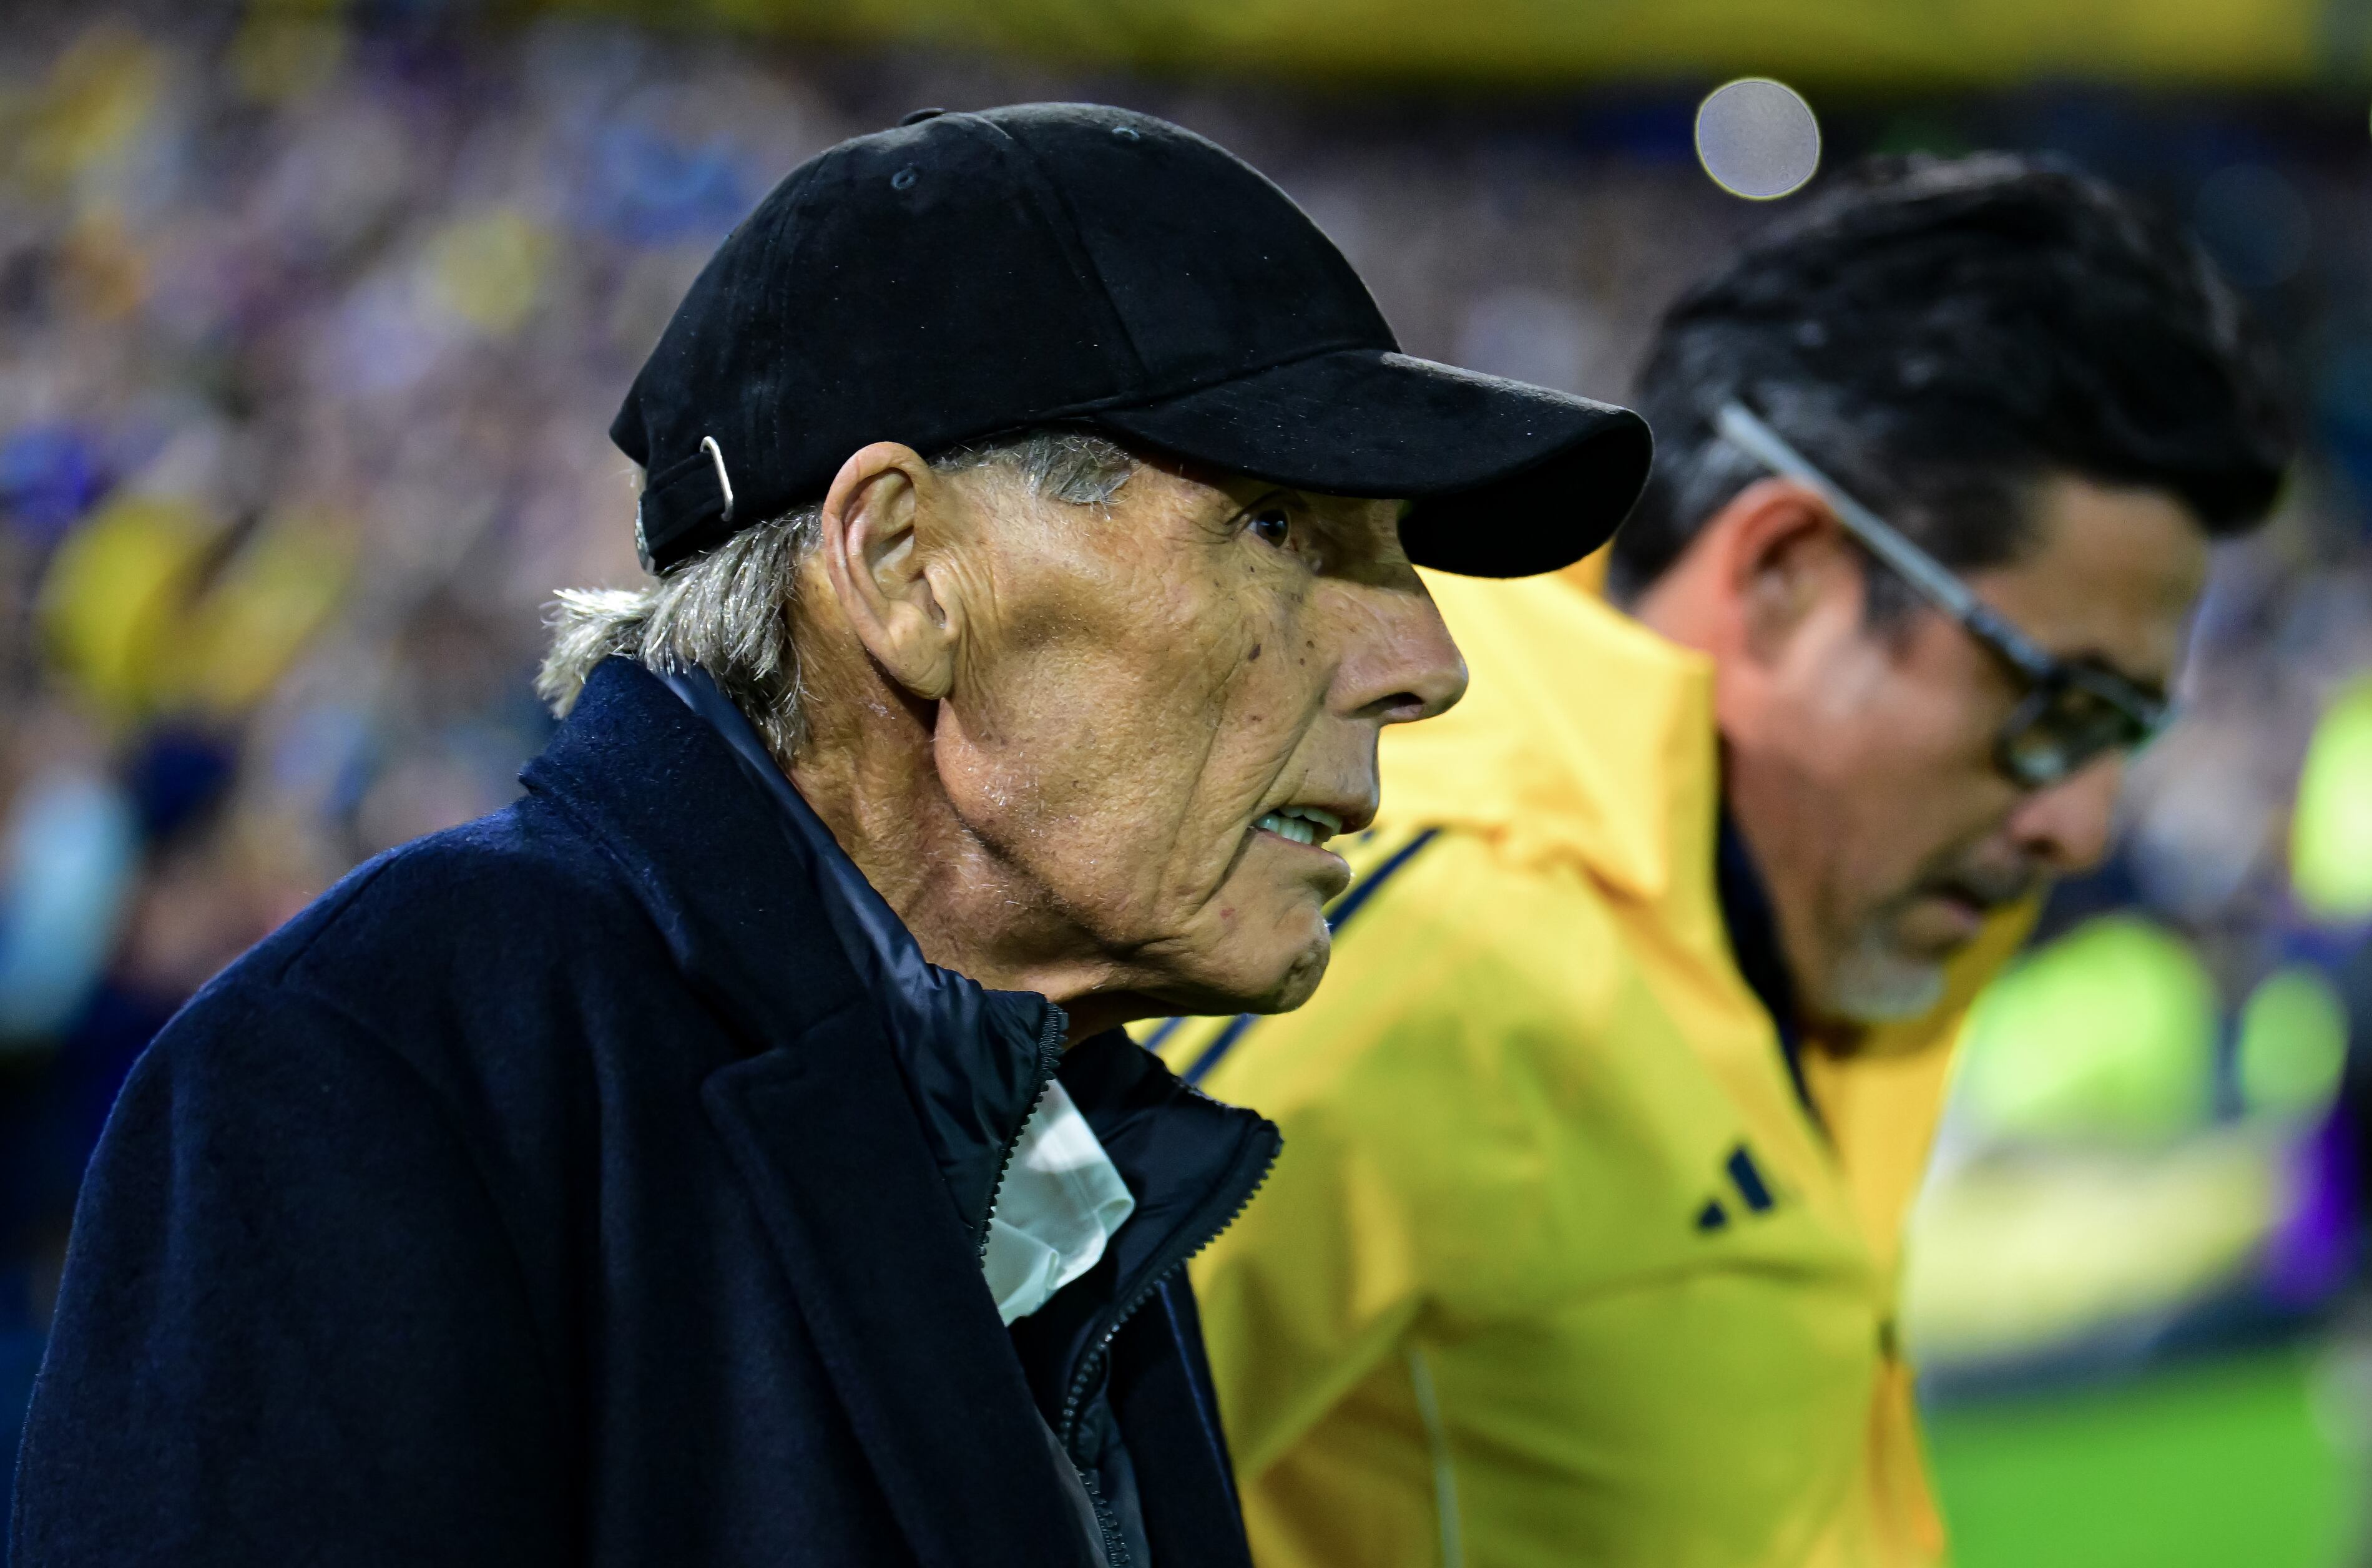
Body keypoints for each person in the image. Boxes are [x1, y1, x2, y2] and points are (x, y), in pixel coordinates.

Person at [9, 104, 1650, 1568]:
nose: (1424, 662)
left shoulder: (1075, 1141)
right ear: (906, 566)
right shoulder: (383, 1066)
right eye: (1281, 529)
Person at [1160, 154, 2293, 1567]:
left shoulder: (1773, 888)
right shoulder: (1427, 941)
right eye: (2056, 708)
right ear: (1788, 577)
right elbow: (931, 1466)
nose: (2083, 822)